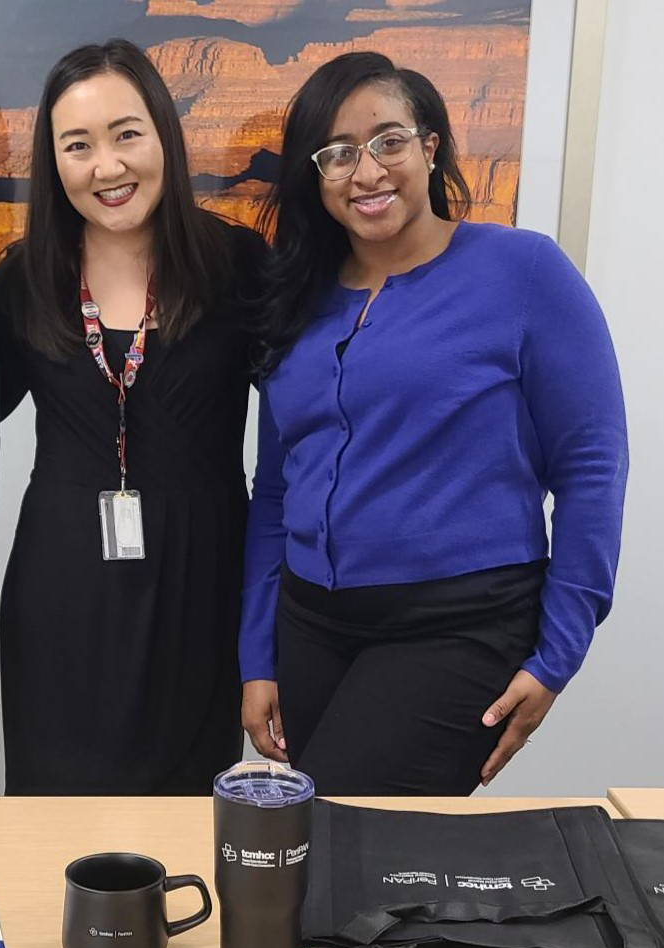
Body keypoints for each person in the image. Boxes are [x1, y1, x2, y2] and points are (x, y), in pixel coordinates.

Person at [240, 52, 627, 795]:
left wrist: (556, 654)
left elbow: (591, 465)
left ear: (430, 145)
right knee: (352, 867)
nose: (366, 172)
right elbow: (277, 491)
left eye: (388, 140)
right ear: (312, 177)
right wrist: (257, 654)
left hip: (458, 623)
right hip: (312, 625)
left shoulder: (523, 272)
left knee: (339, 834)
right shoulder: (295, 299)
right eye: (337, 154)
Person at [0, 39, 263, 795]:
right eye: (76, 145)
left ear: (163, 138)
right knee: (59, 824)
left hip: (201, 583)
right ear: (54, 163)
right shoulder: (27, 276)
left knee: (181, 822)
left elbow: (316, 422)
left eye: (125, 134)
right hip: (63, 585)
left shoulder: (237, 265)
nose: (105, 167)